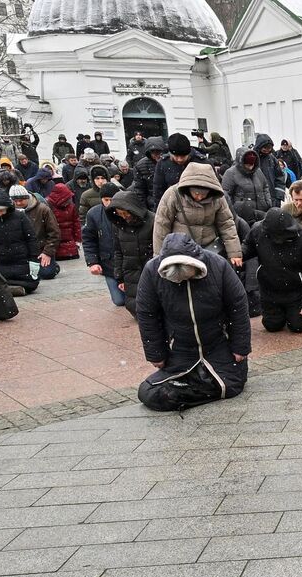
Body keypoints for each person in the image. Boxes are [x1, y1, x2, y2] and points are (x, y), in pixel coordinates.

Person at [134, 232, 251, 411]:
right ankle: (192, 388)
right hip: (180, 349)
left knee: (231, 385)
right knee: (148, 393)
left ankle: (190, 388)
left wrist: (240, 347)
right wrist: (156, 353)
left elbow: (237, 306)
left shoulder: (217, 265)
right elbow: (147, 314)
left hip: (218, 344)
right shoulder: (151, 271)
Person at [247, 206, 302, 333]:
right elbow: (248, 247)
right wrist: (238, 256)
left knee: (298, 326)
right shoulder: (258, 230)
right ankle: (283, 313)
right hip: (269, 289)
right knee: (272, 326)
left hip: (296, 291)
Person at [152, 164, 244, 264]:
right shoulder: (172, 194)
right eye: (196, 194)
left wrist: (234, 252)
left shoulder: (218, 199)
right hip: (180, 249)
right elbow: (161, 226)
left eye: (204, 194)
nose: (199, 197)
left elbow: (226, 224)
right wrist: (159, 256)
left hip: (209, 249)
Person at [0, 187, 40, 294]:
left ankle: (7, 288)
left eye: (2, 210)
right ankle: (10, 288)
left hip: (20, 258)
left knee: (32, 282)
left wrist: (34, 259)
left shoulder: (19, 215)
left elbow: (31, 238)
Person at [105, 187, 156, 308]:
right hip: (130, 269)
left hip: (148, 266)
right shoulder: (118, 225)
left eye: (125, 213)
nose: (123, 216)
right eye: (120, 214)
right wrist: (119, 277)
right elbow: (118, 251)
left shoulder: (152, 220)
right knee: (136, 304)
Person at [82, 184, 124, 307]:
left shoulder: (125, 211)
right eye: (106, 200)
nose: (110, 203)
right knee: (119, 300)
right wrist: (93, 262)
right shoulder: (93, 214)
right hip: (108, 262)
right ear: (101, 199)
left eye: (112, 199)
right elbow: (89, 239)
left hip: (127, 262)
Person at [10, 185, 59, 280]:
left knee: (46, 274)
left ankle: (52, 265)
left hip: (40, 248)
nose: (18, 203)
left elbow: (54, 232)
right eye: (15, 201)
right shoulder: (9, 212)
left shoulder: (42, 209)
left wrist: (47, 252)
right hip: (20, 251)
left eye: (21, 200)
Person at [47, 182, 80, 260]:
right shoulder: (48, 206)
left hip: (67, 239)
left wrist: (78, 239)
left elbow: (76, 223)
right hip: (57, 240)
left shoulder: (71, 206)